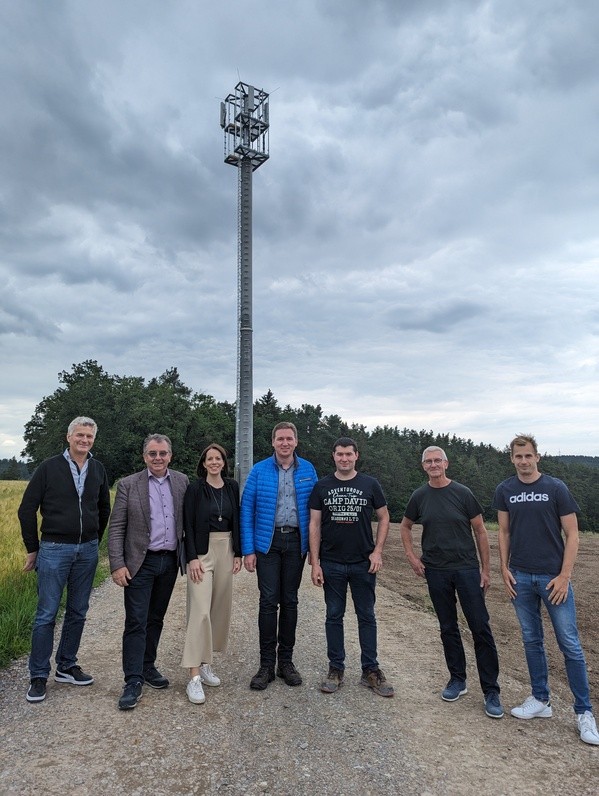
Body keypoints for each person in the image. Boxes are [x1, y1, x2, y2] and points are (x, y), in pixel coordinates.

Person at [494, 434, 599, 745]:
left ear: (537, 457)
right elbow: (503, 531)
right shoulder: (505, 490)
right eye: (518, 456)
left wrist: (565, 575)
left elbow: (573, 534)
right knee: (531, 640)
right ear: (511, 458)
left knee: (570, 644)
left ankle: (584, 713)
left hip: (553, 579)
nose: (523, 461)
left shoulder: (555, 488)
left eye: (528, 456)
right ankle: (540, 700)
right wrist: (504, 568)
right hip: (521, 578)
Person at [399, 446, 503, 718]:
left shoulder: (463, 493)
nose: (433, 465)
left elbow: (480, 531)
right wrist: (412, 557)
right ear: (423, 467)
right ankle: (457, 680)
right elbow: (405, 526)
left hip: (467, 570)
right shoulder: (419, 496)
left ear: (446, 463)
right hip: (435, 571)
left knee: (480, 627)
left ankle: (491, 690)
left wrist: (486, 570)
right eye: (428, 461)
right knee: (448, 627)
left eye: (437, 460)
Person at [18, 416, 111, 703]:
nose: (85, 440)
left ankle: (67, 665)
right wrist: (33, 549)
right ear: (68, 437)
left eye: (89, 436)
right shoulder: (48, 468)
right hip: (54, 549)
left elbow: (103, 508)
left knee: (78, 610)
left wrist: (93, 537)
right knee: (46, 613)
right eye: (80, 435)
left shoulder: (97, 469)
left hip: (86, 550)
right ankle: (38, 674)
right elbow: (26, 510)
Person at [108, 434, 189, 711]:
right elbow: (117, 526)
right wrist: (117, 564)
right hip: (139, 563)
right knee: (136, 621)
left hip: (168, 562)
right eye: (153, 453)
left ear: (170, 455)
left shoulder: (181, 482)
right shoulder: (129, 485)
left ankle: (147, 666)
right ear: (145, 456)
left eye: (163, 453)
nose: (158, 458)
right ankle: (132, 680)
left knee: (156, 618)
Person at [309, 437, 394, 697]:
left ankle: (371, 670)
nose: (344, 458)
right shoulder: (322, 486)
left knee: (366, 616)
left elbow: (384, 516)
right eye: (339, 454)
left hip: (362, 563)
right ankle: (336, 668)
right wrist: (315, 562)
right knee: (334, 616)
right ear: (333, 456)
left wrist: (377, 551)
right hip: (332, 562)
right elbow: (314, 523)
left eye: (348, 454)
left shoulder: (370, 484)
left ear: (356, 456)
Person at [240, 421, 318, 690]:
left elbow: (316, 513)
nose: (285, 443)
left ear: (296, 442)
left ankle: (286, 662)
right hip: (268, 544)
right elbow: (246, 510)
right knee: (268, 602)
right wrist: (248, 549)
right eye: (280, 439)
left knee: (291, 601)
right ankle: (265, 665)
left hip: (296, 542)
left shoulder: (308, 470)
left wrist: (314, 551)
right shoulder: (259, 470)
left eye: (289, 438)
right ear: (272, 442)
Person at [180, 443, 242, 705]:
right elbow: (187, 525)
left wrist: (238, 552)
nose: (214, 462)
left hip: (226, 549)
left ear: (224, 462)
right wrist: (192, 558)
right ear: (203, 464)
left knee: (218, 609)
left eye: (218, 458)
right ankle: (193, 676)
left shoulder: (231, 487)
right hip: (202, 554)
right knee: (201, 610)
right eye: (210, 459)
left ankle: (206, 663)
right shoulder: (194, 489)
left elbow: (237, 519)